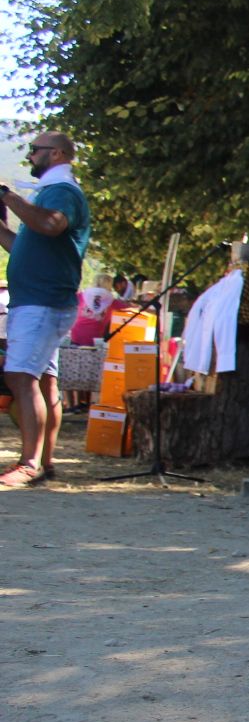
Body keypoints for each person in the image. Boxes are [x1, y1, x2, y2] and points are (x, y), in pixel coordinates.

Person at [3, 131, 91, 488]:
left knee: (21, 377)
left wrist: (8, 197)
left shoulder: (62, 191)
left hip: (41, 301)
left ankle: (30, 463)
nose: (30, 156)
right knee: (43, 380)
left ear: (55, 154)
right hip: (41, 299)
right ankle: (45, 460)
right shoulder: (52, 193)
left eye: (34, 150)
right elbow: (24, 244)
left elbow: (52, 224)